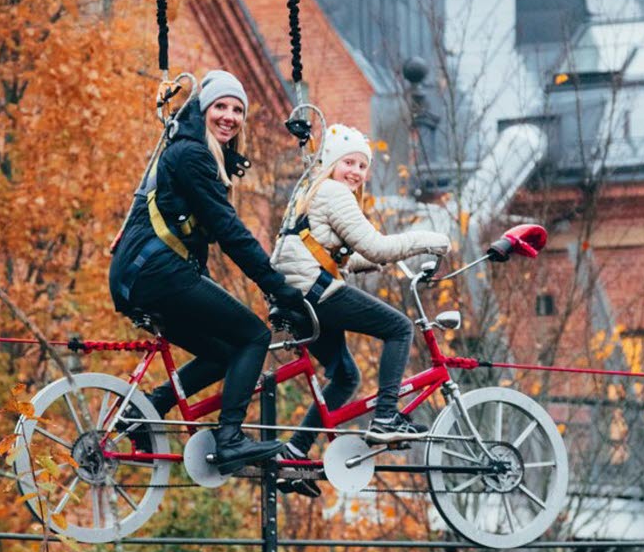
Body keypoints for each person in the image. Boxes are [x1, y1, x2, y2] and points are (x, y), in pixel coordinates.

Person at [109, 70, 304, 473]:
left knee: (226, 352)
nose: (230, 116)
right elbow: (229, 231)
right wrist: (278, 287)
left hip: (141, 274)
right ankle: (229, 439)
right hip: (157, 272)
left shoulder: (192, 152)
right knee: (254, 335)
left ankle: (145, 409)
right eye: (221, 106)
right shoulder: (193, 155)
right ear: (203, 109)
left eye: (237, 109)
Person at [271, 124, 450, 458]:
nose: (355, 172)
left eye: (362, 165)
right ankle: (385, 418)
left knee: (345, 377)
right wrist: (429, 239)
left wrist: (357, 264)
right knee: (399, 328)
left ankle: (295, 449)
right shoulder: (334, 192)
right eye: (348, 163)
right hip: (316, 293)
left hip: (296, 293)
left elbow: (314, 246)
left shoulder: (313, 191)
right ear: (332, 164)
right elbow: (378, 246)